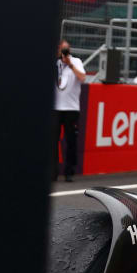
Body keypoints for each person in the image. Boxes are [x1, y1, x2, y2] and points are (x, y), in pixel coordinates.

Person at [55, 40, 86, 181]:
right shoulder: (56, 63)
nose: (64, 53)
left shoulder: (76, 61)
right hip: (55, 108)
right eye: (62, 50)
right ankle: (52, 172)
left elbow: (82, 78)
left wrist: (70, 64)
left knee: (70, 141)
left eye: (66, 50)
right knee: (52, 141)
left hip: (71, 108)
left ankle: (69, 171)